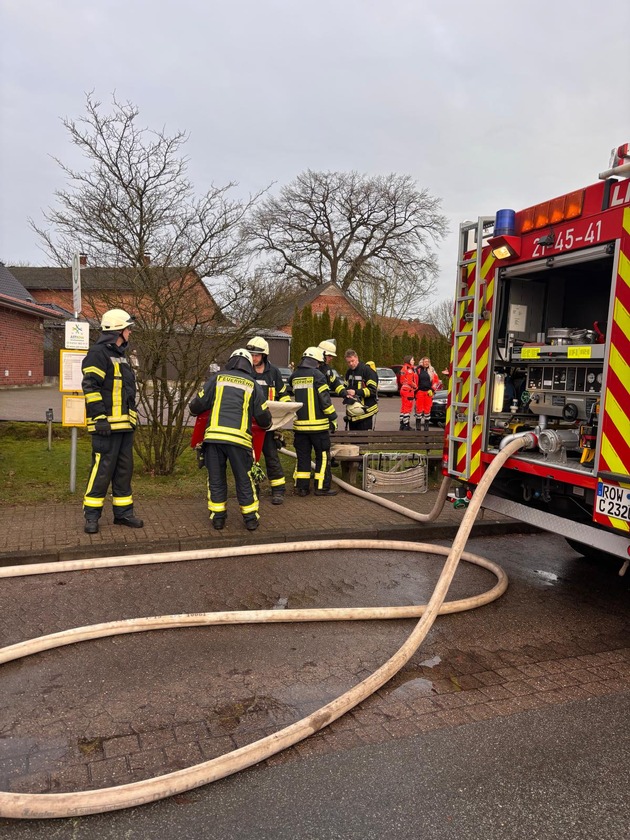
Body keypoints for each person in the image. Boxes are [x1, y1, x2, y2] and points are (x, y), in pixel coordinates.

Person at [189, 348, 272, 531]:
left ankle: (218, 517)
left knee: (216, 478)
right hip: (239, 441)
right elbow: (263, 417)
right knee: (244, 479)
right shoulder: (252, 384)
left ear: (231, 361)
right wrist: (267, 425)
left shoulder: (217, 379)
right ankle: (250, 519)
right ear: (248, 365)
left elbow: (197, 406)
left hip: (214, 440)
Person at [81, 308, 143, 534]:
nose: (130, 332)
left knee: (124, 471)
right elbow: (90, 387)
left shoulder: (121, 356)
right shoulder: (98, 354)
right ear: (118, 330)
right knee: (101, 471)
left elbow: (127, 393)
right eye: (128, 328)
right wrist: (99, 418)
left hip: (124, 427)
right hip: (105, 427)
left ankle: (123, 514)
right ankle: (91, 515)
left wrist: (132, 419)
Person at [246, 335, 291, 505]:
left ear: (264, 355)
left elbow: (283, 394)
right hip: (249, 425)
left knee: (272, 457)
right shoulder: (246, 372)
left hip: (268, 425)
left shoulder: (273, 373)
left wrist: (286, 410)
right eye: (251, 354)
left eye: (256, 355)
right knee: (250, 458)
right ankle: (253, 488)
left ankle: (278, 490)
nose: (253, 357)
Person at [288, 346, 338, 497]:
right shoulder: (318, 375)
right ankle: (321, 487)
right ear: (316, 361)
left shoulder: (295, 376)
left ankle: (302, 488)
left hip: (300, 428)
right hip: (318, 427)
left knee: (303, 457)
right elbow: (325, 400)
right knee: (322, 456)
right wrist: (333, 417)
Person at [344, 349, 379, 430]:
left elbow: (373, 390)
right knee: (353, 440)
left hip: (366, 412)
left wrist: (355, 392)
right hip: (353, 414)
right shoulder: (348, 372)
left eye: (352, 361)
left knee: (363, 440)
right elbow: (345, 387)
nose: (351, 364)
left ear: (357, 358)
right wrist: (346, 393)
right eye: (348, 362)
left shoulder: (367, 371)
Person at [415, 356, 440, 429]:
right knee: (419, 408)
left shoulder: (432, 370)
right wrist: (416, 390)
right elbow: (414, 380)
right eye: (425, 361)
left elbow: (436, 381)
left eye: (428, 362)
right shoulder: (417, 370)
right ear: (422, 362)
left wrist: (432, 389)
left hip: (428, 392)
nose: (426, 363)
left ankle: (426, 425)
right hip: (420, 391)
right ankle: (418, 425)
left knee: (427, 408)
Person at [398, 355, 418, 430]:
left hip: (403, 389)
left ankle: (402, 424)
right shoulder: (409, 370)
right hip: (408, 390)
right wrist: (415, 386)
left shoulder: (403, 368)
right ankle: (406, 425)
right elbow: (410, 381)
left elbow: (401, 380)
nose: (413, 361)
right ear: (409, 361)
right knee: (408, 408)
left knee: (403, 407)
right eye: (412, 360)